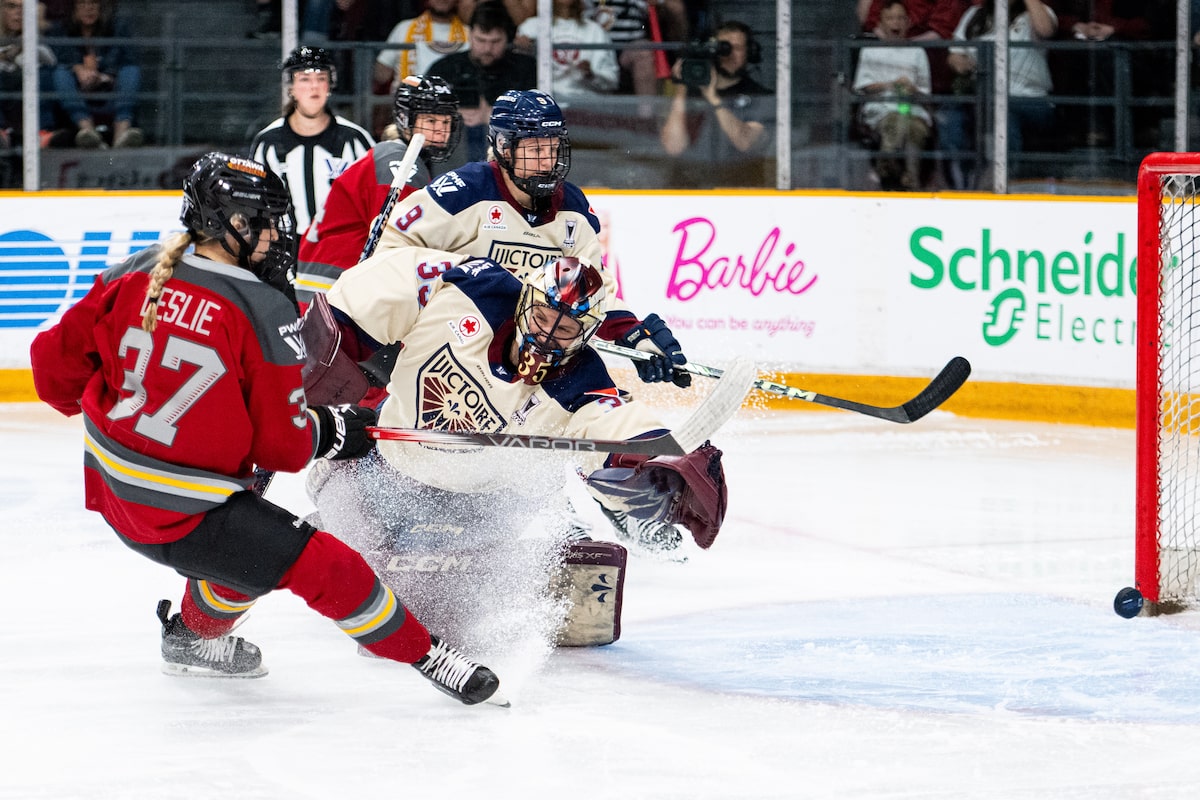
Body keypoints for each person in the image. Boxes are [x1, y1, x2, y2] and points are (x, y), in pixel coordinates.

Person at [28, 152, 505, 706]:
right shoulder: (261, 307)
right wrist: (334, 430)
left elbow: (52, 375)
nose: (278, 237)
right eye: (266, 223)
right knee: (324, 563)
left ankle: (193, 640)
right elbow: (283, 445)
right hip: (186, 514)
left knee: (253, 549)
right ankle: (430, 656)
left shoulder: (136, 268)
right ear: (229, 222)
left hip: (112, 489)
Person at [304, 249, 730, 649]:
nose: (546, 337)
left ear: (584, 336)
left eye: (564, 330)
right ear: (525, 299)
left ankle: (496, 574)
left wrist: (657, 461)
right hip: (383, 469)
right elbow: (394, 277)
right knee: (345, 572)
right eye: (542, 317)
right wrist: (337, 334)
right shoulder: (472, 287)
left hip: (474, 505)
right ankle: (327, 529)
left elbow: (613, 423)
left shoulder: (581, 382)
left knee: (426, 629)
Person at [373, 88, 694, 553]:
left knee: (586, 406)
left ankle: (615, 503)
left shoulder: (573, 211)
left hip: (540, 344)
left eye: (551, 149)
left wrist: (635, 337)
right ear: (503, 148)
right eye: (532, 150)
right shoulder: (465, 191)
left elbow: (593, 289)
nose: (545, 161)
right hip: (466, 348)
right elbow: (396, 252)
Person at [297, 73, 463, 305]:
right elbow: (398, 238)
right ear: (406, 119)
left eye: (446, 122)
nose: (440, 131)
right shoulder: (399, 163)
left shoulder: (398, 156)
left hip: (325, 283)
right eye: (431, 121)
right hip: (334, 288)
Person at [250, 45, 375, 234]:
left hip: (342, 248)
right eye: (305, 79)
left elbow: (376, 196)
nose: (314, 86)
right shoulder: (268, 143)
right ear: (291, 87)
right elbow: (256, 202)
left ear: (330, 85)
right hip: (285, 250)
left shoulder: (355, 139)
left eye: (321, 78)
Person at [940, 0, 1058, 187]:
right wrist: (963, 64)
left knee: (1003, 113)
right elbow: (955, 54)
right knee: (950, 118)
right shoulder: (974, 15)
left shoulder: (1036, 13)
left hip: (1028, 99)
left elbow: (1045, 30)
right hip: (980, 96)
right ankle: (958, 185)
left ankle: (997, 182)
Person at [659, 19, 773, 189]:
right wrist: (682, 86)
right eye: (724, 47)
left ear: (750, 52)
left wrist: (713, 98)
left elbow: (745, 142)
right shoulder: (686, 96)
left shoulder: (760, 96)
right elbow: (673, 147)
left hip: (738, 194)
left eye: (738, 48)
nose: (730, 53)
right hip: (687, 193)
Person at [427, 1, 536, 162]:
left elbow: (540, 112)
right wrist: (455, 116)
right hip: (453, 154)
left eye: (495, 42)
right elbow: (425, 112)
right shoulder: (445, 68)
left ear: (508, 38)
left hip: (513, 153)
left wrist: (500, 117)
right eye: (481, 40)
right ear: (470, 35)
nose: (487, 49)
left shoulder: (526, 68)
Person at [852, 0, 934, 190]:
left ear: (907, 22)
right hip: (881, 108)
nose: (895, 23)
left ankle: (907, 175)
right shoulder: (870, 51)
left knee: (914, 127)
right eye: (890, 19)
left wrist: (912, 89)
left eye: (900, 18)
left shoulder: (917, 52)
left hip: (912, 108)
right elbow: (863, 86)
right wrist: (891, 84)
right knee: (896, 120)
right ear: (881, 24)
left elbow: (925, 91)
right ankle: (890, 163)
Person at [47, 0, 143, 148]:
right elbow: (57, 57)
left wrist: (105, 76)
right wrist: (77, 69)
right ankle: (89, 133)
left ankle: (121, 135)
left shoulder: (117, 28)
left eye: (93, 3)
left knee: (131, 70)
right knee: (60, 73)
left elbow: (128, 58)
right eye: (82, 4)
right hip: (77, 92)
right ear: (74, 9)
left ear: (101, 7)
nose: (88, 9)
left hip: (109, 89)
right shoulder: (62, 30)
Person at [513, 0, 619, 99]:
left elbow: (612, 82)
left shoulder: (595, 31)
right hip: (542, 105)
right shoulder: (530, 28)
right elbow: (516, 77)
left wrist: (591, 75)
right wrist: (524, 52)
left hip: (587, 104)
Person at [373, 0, 468, 94]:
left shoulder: (469, 33)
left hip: (455, 105)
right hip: (406, 105)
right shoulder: (404, 28)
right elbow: (381, 75)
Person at [0, 0, 56, 151]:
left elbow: (51, 60)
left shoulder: (33, 40)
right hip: (6, 96)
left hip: (25, 98)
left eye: (23, 8)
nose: (18, 12)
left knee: (43, 75)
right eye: (12, 7)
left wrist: (27, 39)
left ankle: (42, 132)